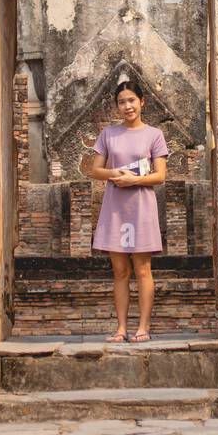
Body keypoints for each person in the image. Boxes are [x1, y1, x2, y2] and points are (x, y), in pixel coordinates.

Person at [88, 80, 168, 343]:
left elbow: (160, 176)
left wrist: (133, 180)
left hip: (142, 208)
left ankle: (143, 327)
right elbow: (95, 170)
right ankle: (121, 328)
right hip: (115, 208)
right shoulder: (108, 134)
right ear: (117, 106)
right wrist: (115, 174)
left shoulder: (154, 134)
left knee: (143, 269)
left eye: (132, 100)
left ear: (142, 102)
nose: (127, 106)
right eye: (122, 102)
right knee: (120, 271)